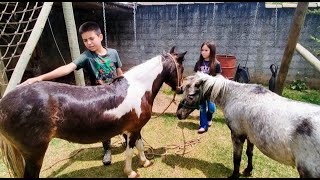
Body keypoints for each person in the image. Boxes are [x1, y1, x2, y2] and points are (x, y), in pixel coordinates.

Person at [18, 21, 123, 166]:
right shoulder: (87, 56)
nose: (89, 43)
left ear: (100, 37)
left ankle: (128, 140)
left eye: (91, 38)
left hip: (117, 94)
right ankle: (107, 149)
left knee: (123, 118)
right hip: (99, 98)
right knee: (105, 124)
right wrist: (39, 78)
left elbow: (119, 72)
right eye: (85, 40)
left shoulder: (113, 53)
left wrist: (124, 88)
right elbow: (68, 68)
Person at [193, 41, 222, 134]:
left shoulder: (216, 64)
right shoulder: (198, 63)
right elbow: (195, 75)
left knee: (211, 108)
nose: (203, 52)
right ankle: (203, 126)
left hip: (211, 91)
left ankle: (209, 118)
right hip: (201, 91)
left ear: (212, 51)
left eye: (206, 50)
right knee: (202, 108)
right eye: (202, 50)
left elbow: (218, 77)